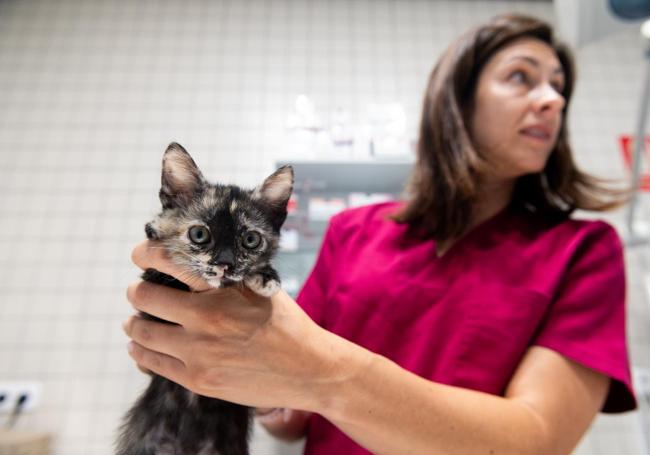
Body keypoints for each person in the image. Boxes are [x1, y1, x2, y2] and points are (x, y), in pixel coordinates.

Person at [122, 14, 637, 454]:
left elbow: (539, 441)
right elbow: (292, 416)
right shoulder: (353, 231)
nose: (552, 100)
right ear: (455, 102)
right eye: (522, 77)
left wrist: (324, 375)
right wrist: (238, 374)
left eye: (559, 86)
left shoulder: (585, 251)